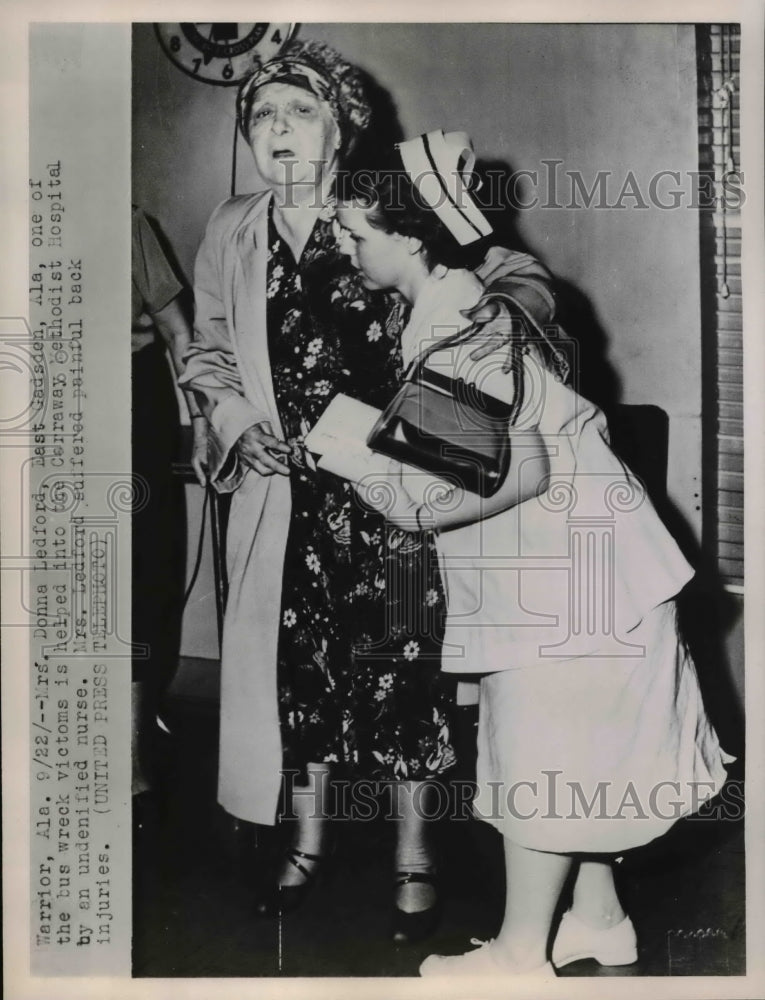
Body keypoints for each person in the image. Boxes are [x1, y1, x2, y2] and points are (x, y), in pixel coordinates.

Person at [180, 40, 558, 942]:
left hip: (398, 496)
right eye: (261, 115)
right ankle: (305, 842)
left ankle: (414, 853)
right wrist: (236, 424)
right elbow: (207, 352)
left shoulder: (392, 201)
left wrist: (489, 333)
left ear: (341, 127)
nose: (277, 130)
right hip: (287, 496)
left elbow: (523, 282)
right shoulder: (230, 227)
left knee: (404, 675)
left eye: (298, 112)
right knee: (296, 676)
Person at [335, 129, 733, 977]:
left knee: (543, 760)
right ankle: (596, 917)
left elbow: (516, 471)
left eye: (356, 230)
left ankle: (520, 956)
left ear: (408, 236)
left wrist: (388, 496)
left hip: (568, 579)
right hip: (584, 566)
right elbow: (482, 444)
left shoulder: (461, 332)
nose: (345, 244)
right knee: (572, 754)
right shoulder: (467, 296)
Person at [131, 205, 207, 796]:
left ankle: (131, 761)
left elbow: (179, 332)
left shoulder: (126, 221)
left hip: (131, 398)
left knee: (137, 580)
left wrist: (203, 420)